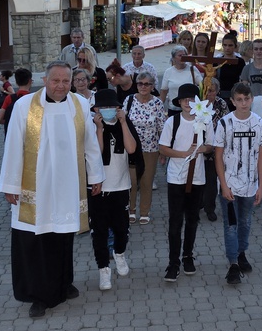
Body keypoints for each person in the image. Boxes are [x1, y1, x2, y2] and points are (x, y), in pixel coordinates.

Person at [0, 61, 105, 318]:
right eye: (55, 81)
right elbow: (12, 146)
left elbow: (90, 143)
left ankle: (63, 283)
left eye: (65, 81)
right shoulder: (24, 106)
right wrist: (10, 185)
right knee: (36, 240)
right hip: (37, 186)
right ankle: (38, 296)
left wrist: (96, 175)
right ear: (44, 80)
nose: (60, 86)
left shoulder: (79, 104)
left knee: (63, 236)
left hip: (69, 184)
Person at [158, 84, 214, 282]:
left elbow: (210, 146)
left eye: (192, 100)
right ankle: (173, 262)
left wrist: (200, 149)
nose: (188, 104)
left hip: (197, 178)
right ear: (179, 103)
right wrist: (182, 154)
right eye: (184, 100)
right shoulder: (172, 122)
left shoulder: (205, 121)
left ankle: (188, 255)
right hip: (176, 177)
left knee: (192, 219)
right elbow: (163, 148)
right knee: (175, 221)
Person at [214, 83, 262, 285]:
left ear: (252, 99)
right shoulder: (224, 124)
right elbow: (218, 156)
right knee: (231, 225)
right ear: (233, 101)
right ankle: (233, 264)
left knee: (245, 222)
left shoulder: (260, 124)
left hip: (250, 186)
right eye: (239, 100)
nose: (243, 103)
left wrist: (261, 186)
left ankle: (241, 252)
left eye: (247, 99)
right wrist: (224, 184)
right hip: (229, 187)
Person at [89, 89, 137, 291]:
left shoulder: (124, 124)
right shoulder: (91, 127)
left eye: (112, 107)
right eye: (103, 107)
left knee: (121, 229)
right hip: (98, 187)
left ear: (118, 108)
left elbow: (132, 148)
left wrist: (124, 122)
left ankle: (119, 253)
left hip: (120, 185)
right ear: (96, 109)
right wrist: (99, 129)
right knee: (99, 231)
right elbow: (96, 153)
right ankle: (103, 270)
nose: (108, 110)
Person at [124, 72, 165, 225]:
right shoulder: (129, 100)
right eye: (140, 83)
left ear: (153, 86)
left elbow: (162, 127)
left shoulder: (157, 103)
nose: (143, 86)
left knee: (147, 181)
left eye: (147, 84)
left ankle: (145, 211)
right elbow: (122, 123)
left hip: (151, 149)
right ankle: (131, 210)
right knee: (132, 182)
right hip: (132, 149)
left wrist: (163, 151)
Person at [201, 78, 230, 221]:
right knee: (199, 179)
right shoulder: (197, 103)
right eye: (206, 90)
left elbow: (227, 124)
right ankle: (199, 203)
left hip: (216, 148)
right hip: (199, 147)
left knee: (212, 180)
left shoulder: (221, 103)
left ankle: (209, 208)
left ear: (217, 91)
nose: (208, 93)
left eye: (211, 90)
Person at [160, 45, 201, 117]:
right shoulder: (168, 72)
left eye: (184, 55)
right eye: (180, 55)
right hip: (173, 109)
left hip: (190, 109)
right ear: (173, 58)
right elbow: (164, 91)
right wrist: (159, 107)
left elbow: (202, 85)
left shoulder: (192, 70)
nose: (182, 57)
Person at [0, 68, 33, 135]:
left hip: (12, 135)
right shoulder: (34, 99)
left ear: (16, 82)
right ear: (30, 81)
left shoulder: (9, 98)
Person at [214, 32, 245, 104]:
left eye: (230, 45)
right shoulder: (217, 61)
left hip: (236, 95)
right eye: (225, 45)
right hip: (221, 95)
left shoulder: (240, 61)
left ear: (235, 46)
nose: (227, 48)